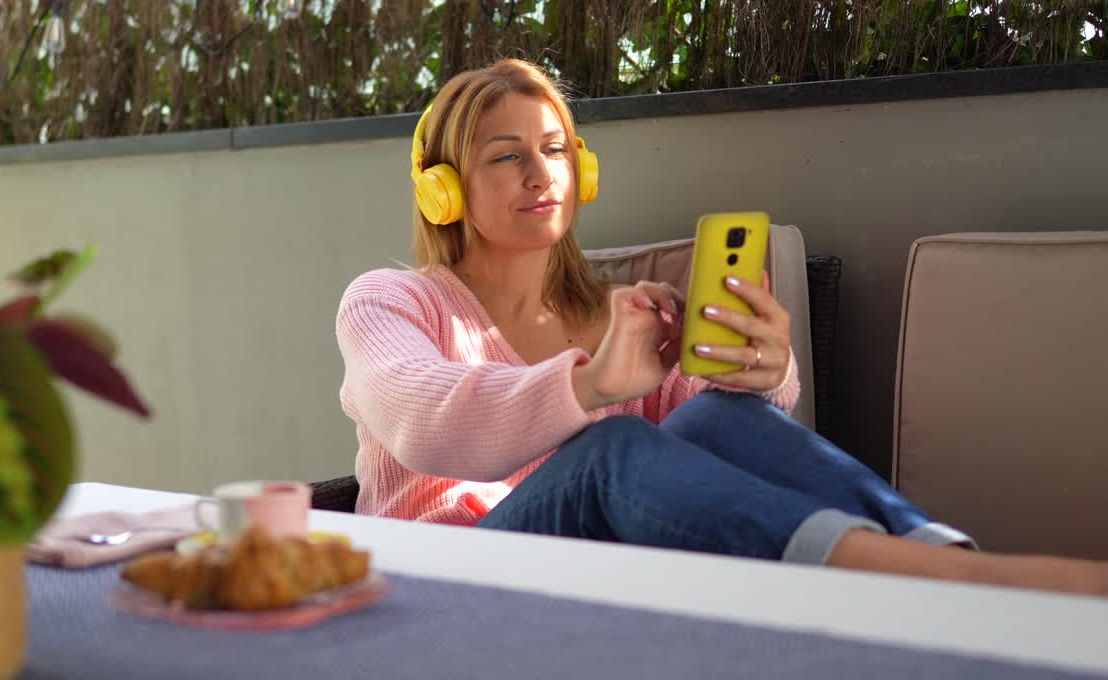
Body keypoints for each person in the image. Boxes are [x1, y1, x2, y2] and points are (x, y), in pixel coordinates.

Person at [335, 58, 1108, 597]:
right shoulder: (390, 302)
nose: (542, 175)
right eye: (508, 158)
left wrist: (765, 374)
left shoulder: (622, 315)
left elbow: (706, 453)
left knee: (713, 413)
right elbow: (426, 421)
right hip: (447, 577)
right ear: (443, 190)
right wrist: (593, 382)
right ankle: (956, 582)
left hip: (610, 580)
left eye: (556, 150)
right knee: (608, 448)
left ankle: (933, 552)